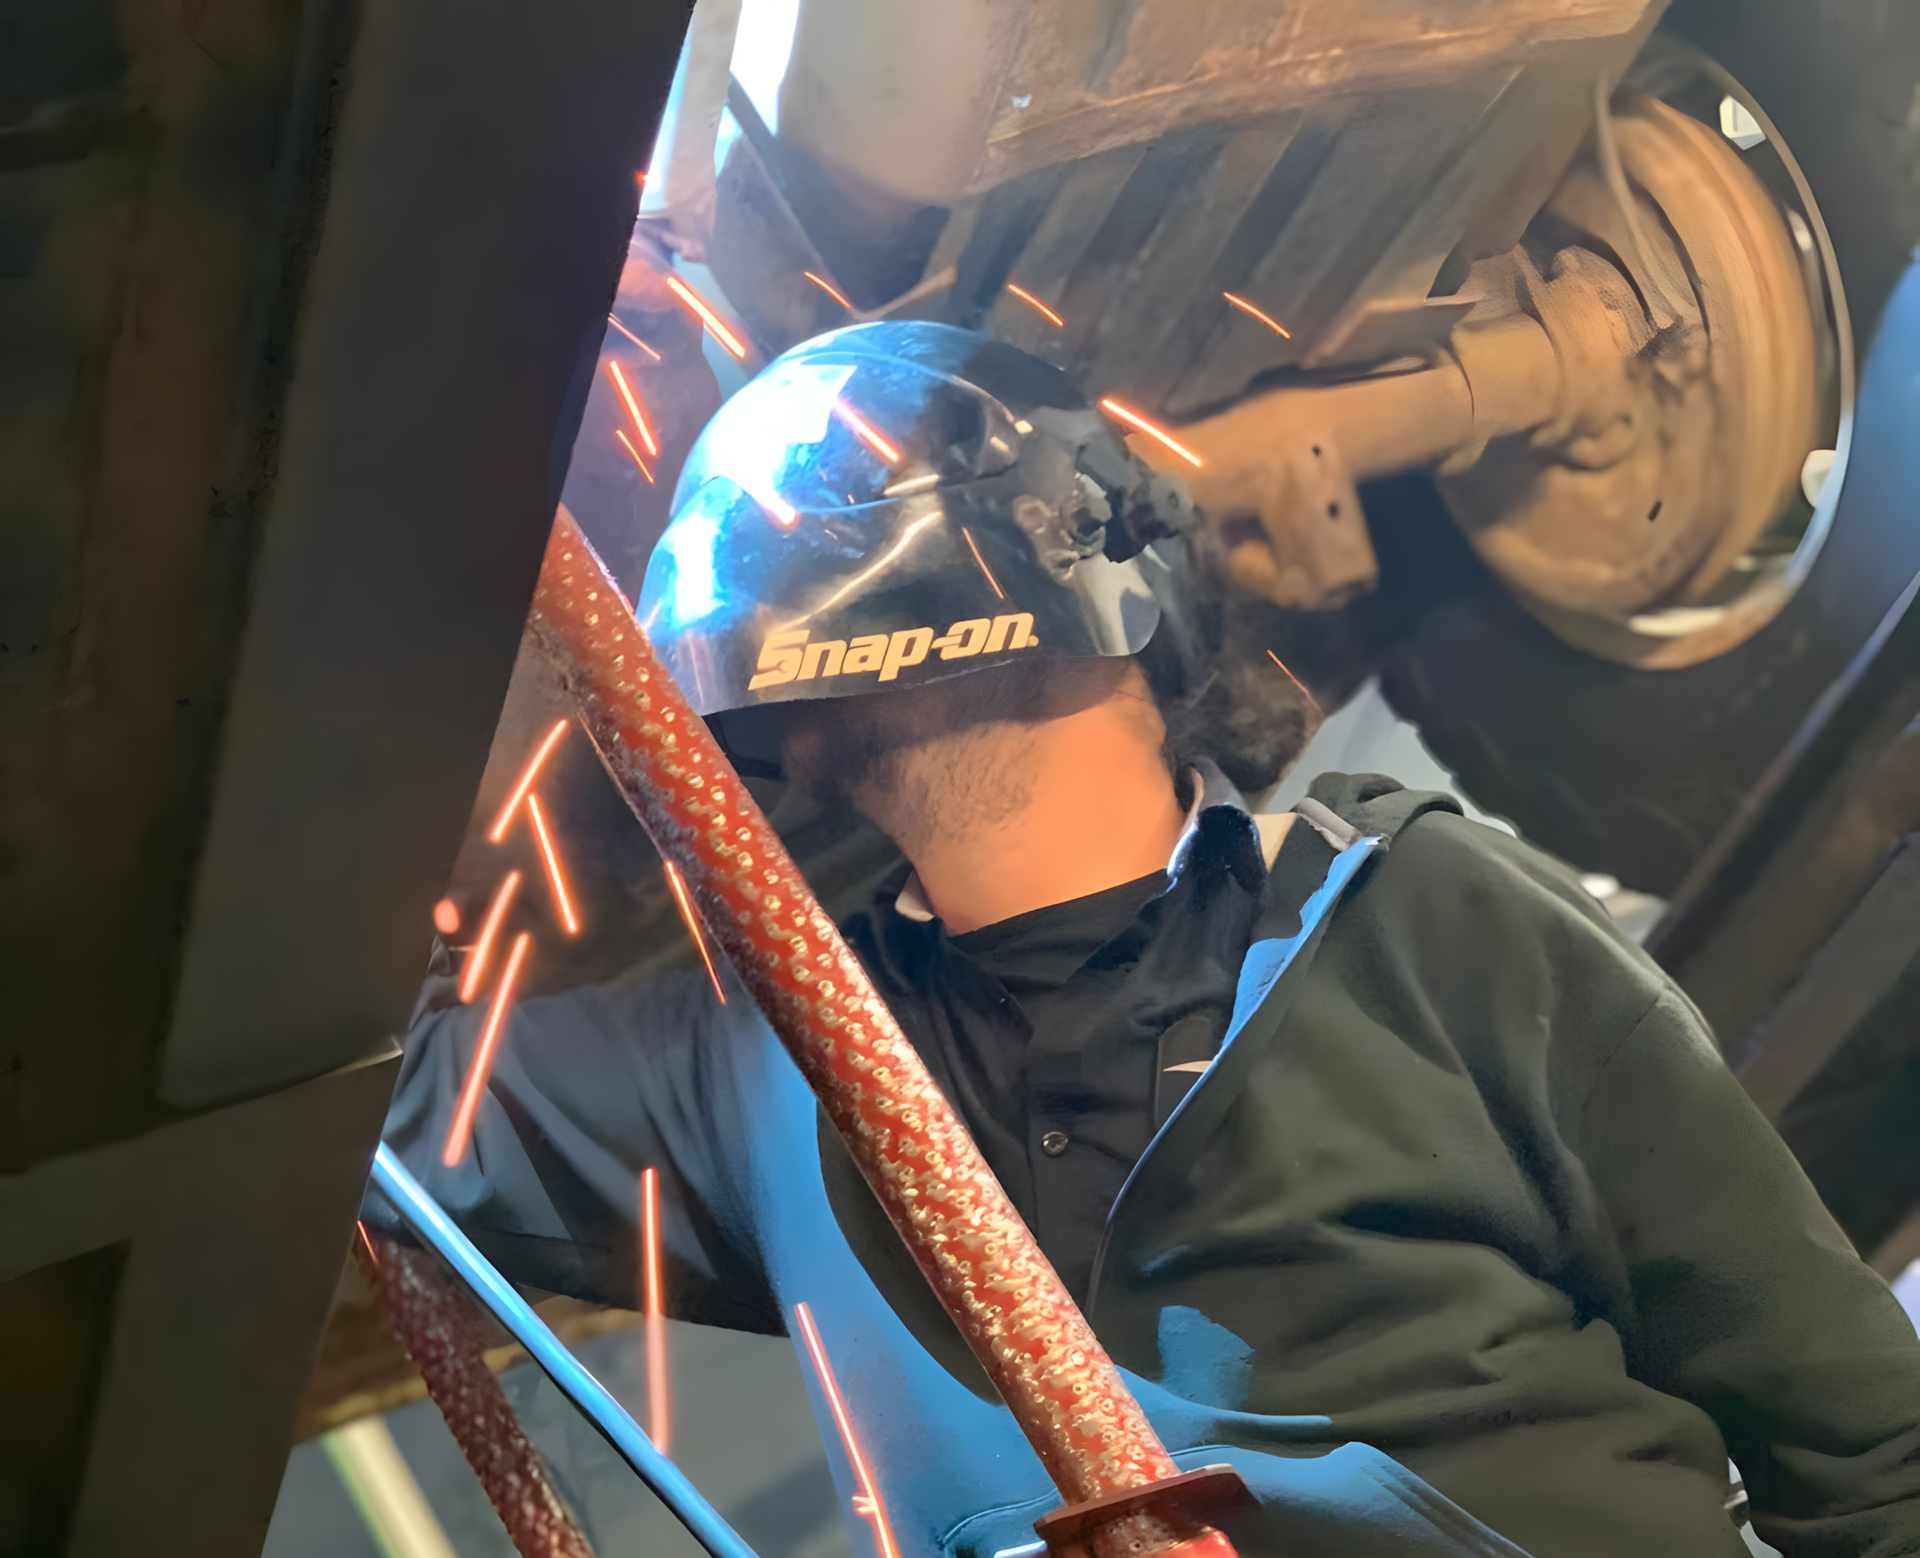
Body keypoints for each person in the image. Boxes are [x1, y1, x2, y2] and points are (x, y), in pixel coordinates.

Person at [383, 323, 1920, 1558]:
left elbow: (1874, 1456)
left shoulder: (1422, 924)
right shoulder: (767, 1080)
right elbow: (354, 1076)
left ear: (1072, 546)